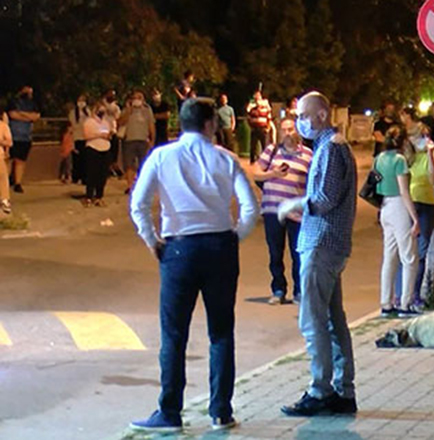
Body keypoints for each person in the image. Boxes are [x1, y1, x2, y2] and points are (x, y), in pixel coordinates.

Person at [128, 98, 258, 433]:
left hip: (178, 249)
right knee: (221, 331)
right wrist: (234, 237)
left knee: (173, 333)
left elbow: (138, 204)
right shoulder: (225, 159)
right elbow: (250, 206)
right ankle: (220, 411)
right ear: (210, 124)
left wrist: (153, 241)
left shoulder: (161, 156)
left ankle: (170, 411)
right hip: (219, 247)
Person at [276, 91, 358, 417]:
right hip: (329, 244)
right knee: (333, 321)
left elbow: (323, 198)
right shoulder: (329, 147)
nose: (299, 123)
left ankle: (321, 390)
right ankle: (342, 391)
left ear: (322, 114)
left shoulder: (331, 148)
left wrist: (294, 204)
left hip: (321, 243)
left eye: (304, 115)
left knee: (313, 320)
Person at [253, 117, 313, 305]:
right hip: (272, 210)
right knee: (275, 252)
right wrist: (272, 174)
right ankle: (278, 289)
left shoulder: (308, 155)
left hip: (297, 213)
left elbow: (314, 182)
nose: (287, 133)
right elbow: (255, 172)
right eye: (284, 129)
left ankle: (299, 291)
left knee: (298, 253)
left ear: (298, 132)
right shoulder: (271, 152)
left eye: (290, 129)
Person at [373, 126, 421, 317]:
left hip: (384, 206)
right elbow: (404, 191)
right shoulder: (399, 160)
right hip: (399, 206)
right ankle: (405, 303)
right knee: (409, 258)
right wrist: (415, 218)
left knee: (389, 257)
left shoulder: (379, 159)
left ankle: (386, 302)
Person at [394, 117, 434, 307]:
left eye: (425, 135)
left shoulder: (432, 152)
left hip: (427, 203)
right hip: (408, 203)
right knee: (405, 250)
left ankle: (414, 294)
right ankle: (400, 294)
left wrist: (430, 154)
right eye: (418, 136)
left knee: (421, 251)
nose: (422, 139)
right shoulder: (404, 156)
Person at [119, 90, 156, 194]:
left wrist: (152, 139)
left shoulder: (147, 110)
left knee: (143, 164)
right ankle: (130, 186)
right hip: (129, 139)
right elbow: (120, 122)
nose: (137, 100)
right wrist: (128, 111)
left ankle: (142, 185)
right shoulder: (127, 110)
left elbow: (151, 125)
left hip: (143, 140)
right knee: (129, 164)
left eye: (139, 97)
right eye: (135, 97)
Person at [7, 85, 41, 193]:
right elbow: (12, 114)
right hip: (13, 135)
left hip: (25, 137)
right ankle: (5, 181)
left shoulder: (33, 103)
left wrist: (21, 114)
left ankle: (18, 183)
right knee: (9, 159)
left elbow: (36, 116)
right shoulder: (14, 102)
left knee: (21, 161)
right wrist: (28, 117)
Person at [81, 102, 114, 207]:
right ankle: (89, 196)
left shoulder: (106, 122)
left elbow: (109, 134)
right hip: (93, 148)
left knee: (102, 174)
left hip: (105, 148)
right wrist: (99, 135)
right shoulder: (89, 122)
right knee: (92, 173)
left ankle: (99, 196)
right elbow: (86, 135)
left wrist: (108, 135)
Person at [247, 89, 273, 164]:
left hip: (263, 128)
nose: (257, 97)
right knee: (253, 146)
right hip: (254, 128)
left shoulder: (265, 106)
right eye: (256, 96)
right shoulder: (252, 106)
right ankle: (252, 161)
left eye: (258, 96)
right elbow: (248, 115)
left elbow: (269, 117)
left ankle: (265, 160)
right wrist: (251, 126)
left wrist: (267, 127)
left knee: (264, 145)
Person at [69, 94, 90, 185]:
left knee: (85, 159)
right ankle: (76, 177)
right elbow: (73, 124)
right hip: (77, 137)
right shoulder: (73, 112)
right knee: (76, 158)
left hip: (86, 137)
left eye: (83, 100)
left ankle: (85, 177)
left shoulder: (88, 112)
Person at [0, 112, 12, 214]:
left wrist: (1, 141)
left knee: (2, 178)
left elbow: (9, 142)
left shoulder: (3, 126)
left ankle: (4, 200)